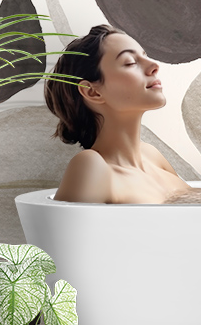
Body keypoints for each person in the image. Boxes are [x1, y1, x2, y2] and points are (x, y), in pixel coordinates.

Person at [44, 24, 192, 204]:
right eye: (130, 62)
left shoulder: (151, 156)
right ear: (93, 92)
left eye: (145, 56)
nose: (154, 65)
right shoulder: (91, 165)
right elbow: (69, 232)